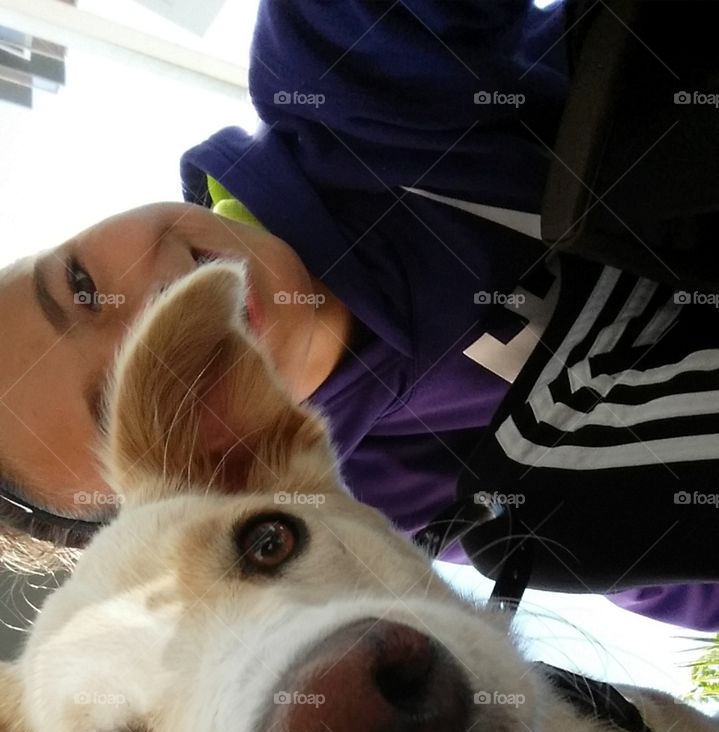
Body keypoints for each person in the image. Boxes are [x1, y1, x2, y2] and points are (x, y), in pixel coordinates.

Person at [0, 0, 718, 627]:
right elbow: (675, 570)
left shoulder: (342, 66)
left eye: (80, 286)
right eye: (134, 402)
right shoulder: (399, 510)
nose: (162, 312)